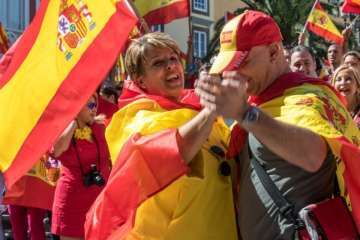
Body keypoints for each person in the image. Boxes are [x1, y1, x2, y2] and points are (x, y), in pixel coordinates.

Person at [196, 10, 360, 239]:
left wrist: (245, 114)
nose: (233, 73)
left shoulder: (308, 96)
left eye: (242, 62)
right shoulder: (260, 100)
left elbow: (312, 155)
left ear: (274, 52)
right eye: (229, 66)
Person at [84, 32, 238, 240]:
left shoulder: (195, 106)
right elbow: (172, 150)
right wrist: (212, 108)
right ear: (140, 80)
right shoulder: (135, 118)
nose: (170, 66)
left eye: (173, 58)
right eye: (158, 63)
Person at [51, 94, 111, 240]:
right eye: (89, 105)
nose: (94, 109)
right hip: (72, 202)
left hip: (99, 199)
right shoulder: (64, 130)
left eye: (95, 104)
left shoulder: (100, 127)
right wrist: (74, 122)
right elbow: (57, 150)